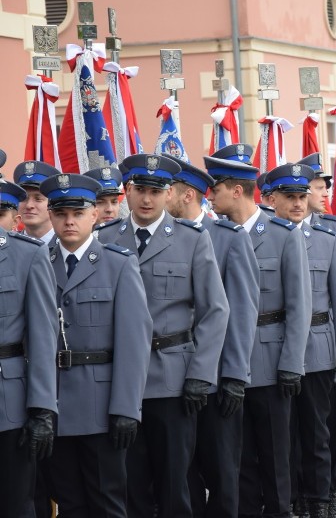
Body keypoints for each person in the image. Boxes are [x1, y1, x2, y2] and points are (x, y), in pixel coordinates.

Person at [95, 153, 229, 518]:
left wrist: (201, 374)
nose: (147, 198)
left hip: (172, 379)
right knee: (129, 483)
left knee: (175, 484)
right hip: (120, 382)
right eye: (140, 189)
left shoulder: (192, 240)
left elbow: (215, 311)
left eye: (156, 190)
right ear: (127, 191)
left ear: (169, 193)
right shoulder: (105, 240)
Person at [202, 145, 311, 518]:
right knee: (238, 458)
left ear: (236, 189)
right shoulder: (211, 234)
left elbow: (299, 304)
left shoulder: (282, 234)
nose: (209, 195)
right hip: (225, 364)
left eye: (214, 187)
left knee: (275, 457)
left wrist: (292, 362)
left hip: (269, 360)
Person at [41, 173, 153, 517]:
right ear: (51, 216)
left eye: (77, 213)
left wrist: (126, 408)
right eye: (61, 213)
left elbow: (134, 343)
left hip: (102, 407)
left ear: (94, 215)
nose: (69, 221)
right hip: (56, 405)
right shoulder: (38, 262)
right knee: (70, 503)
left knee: (107, 502)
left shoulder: (118, 264)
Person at [165, 158, 260, 518]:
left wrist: (235, 374)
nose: (160, 196)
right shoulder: (163, 237)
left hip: (219, 377)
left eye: (167, 190)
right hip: (174, 376)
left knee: (222, 471)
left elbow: (240, 312)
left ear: (185, 194)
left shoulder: (227, 237)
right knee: (180, 470)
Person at [266, 162, 336, 517]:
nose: (297, 204)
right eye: (289, 197)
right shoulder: (263, 238)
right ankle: (290, 499)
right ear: (272, 199)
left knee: (317, 432)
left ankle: (320, 501)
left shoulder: (327, 240)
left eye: (302, 197)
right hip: (275, 351)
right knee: (283, 436)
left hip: (318, 350)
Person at [0, 175, 58, 518]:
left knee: (17, 504)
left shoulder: (27, 255)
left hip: (10, 406)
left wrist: (41, 409)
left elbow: (41, 337)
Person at [14, 161, 60, 245]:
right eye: (24, 198)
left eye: (38, 199)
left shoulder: (67, 245)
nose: (29, 205)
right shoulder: (9, 246)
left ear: (53, 204)